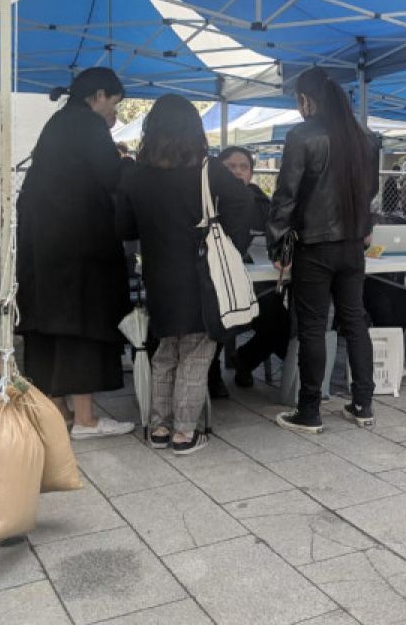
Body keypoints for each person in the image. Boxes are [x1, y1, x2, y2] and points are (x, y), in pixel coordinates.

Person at [116, 96, 253, 454]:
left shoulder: (135, 174)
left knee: (164, 353)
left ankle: (159, 428)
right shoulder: (207, 169)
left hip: (159, 274)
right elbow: (243, 202)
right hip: (200, 274)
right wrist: (229, 243)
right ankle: (185, 432)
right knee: (196, 351)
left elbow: (125, 227)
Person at [17, 67, 136, 439]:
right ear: (99, 95)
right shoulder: (87, 124)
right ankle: (86, 420)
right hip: (79, 245)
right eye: (113, 103)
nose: (111, 112)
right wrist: (129, 164)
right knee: (83, 323)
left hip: (43, 243)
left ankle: (59, 412)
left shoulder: (58, 122)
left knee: (48, 325)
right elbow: (111, 177)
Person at [269, 68, 380, 434]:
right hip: (352, 244)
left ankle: (310, 410)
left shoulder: (302, 135)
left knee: (314, 327)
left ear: (305, 99)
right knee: (355, 320)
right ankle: (363, 404)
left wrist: (277, 242)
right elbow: (370, 192)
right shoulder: (364, 137)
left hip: (314, 245)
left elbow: (286, 195)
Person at [212, 146, 287, 393]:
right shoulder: (206, 201)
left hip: (258, 284)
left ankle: (244, 360)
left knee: (280, 321)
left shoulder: (262, 203)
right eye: (230, 167)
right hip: (218, 285)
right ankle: (212, 375)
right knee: (215, 317)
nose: (237, 172)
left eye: (243, 167)